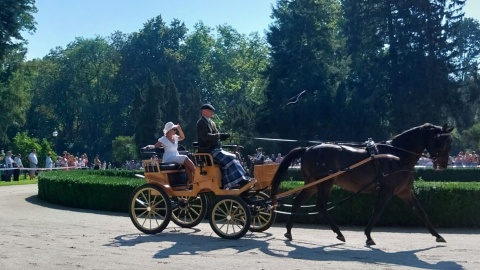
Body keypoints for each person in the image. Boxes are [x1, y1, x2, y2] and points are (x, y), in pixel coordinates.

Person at [196, 103, 251, 189]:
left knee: (235, 155)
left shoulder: (212, 123)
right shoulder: (201, 123)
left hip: (216, 148)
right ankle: (237, 181)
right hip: (209, 150)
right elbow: (205, 137)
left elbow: (216, 136)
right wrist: (220, 135)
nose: (212, 113)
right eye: (210, 111)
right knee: (230, 158)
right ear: (204, 112)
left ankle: (242, 178)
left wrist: (224, 136)